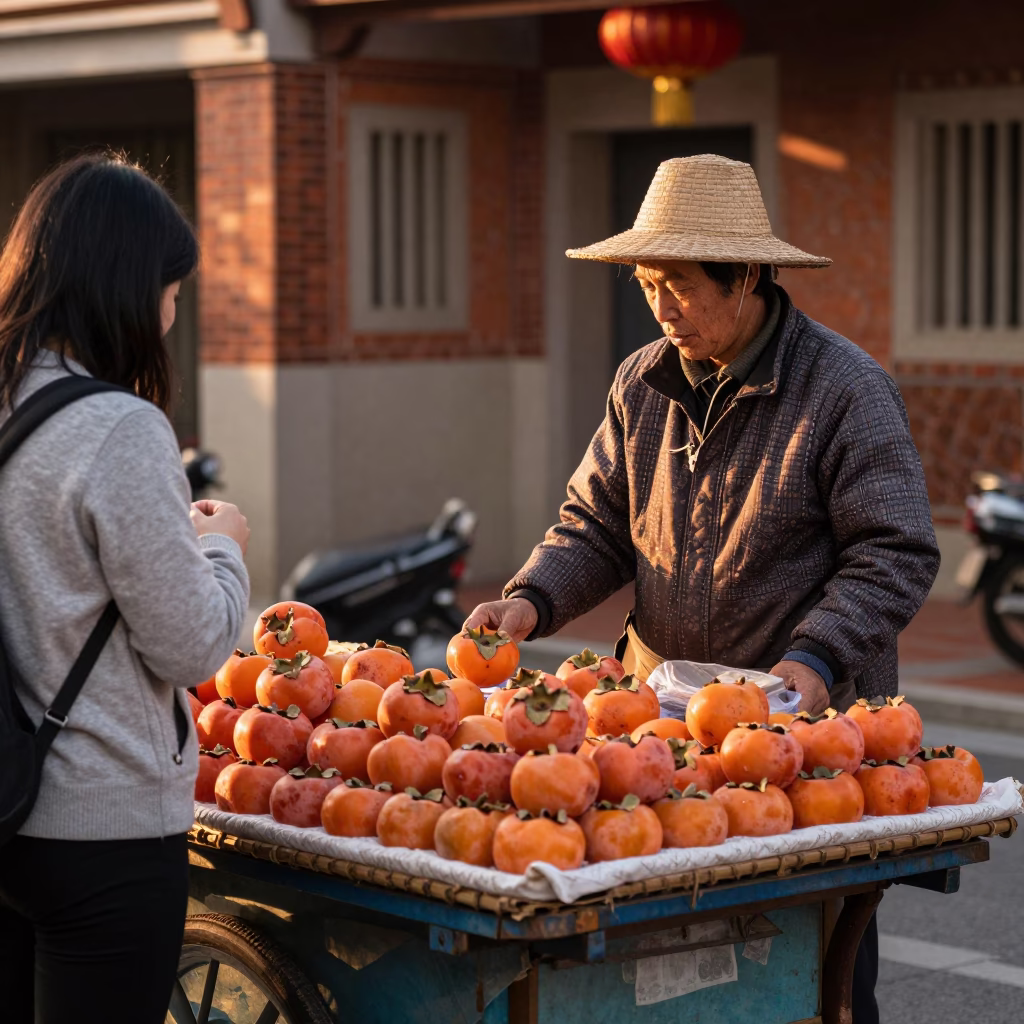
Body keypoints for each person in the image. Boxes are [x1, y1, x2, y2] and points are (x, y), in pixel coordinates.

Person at [465, 154, 939, 1023]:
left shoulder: (845, 389)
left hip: (803, 738)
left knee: (812, 975)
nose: (660, 306)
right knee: (677, 977)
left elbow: (896, 551)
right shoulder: (642, 382)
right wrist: (529, 599)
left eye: (678, 283)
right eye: (648, 283)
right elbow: (598, 523)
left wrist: (817, 657)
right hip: (665, 737)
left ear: (747, 275)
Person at [0, 153, 250, 1024]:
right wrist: (220, 549)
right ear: (127, 286)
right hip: (100, 827)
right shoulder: (117, 427)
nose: (172, 316)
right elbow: (189, 644)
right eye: (171, 292)